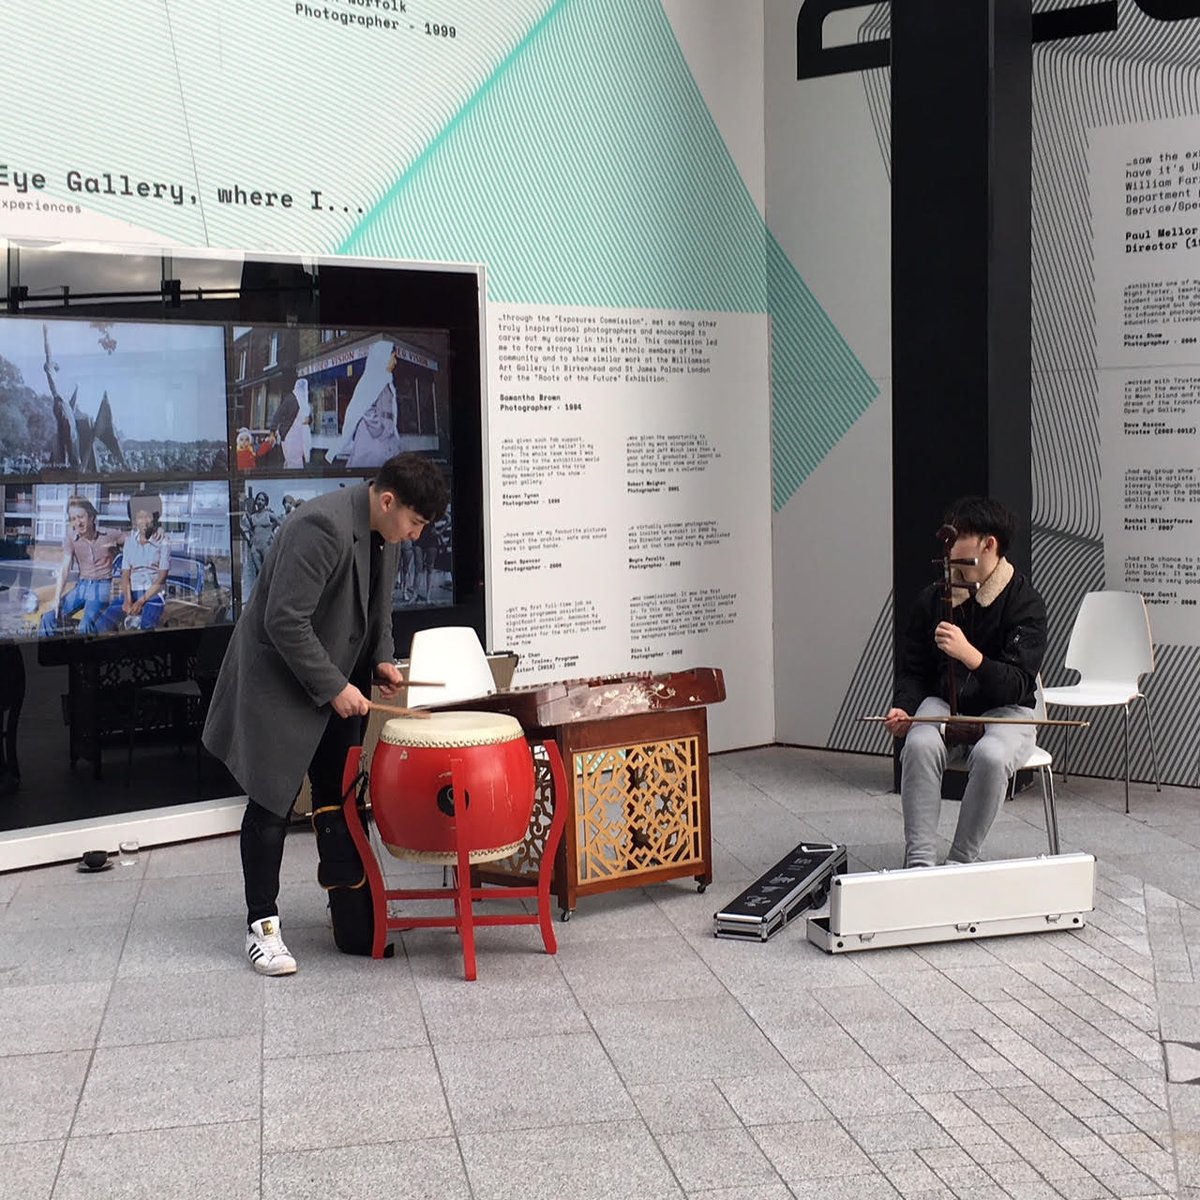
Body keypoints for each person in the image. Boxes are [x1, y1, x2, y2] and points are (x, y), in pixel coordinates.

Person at [202, 453, 449, 975]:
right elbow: (284, 621)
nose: (415, 536)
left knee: (339, 799)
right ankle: (262, 927)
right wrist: (334, 685)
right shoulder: (321, 526)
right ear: (388, 501)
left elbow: (379, 609)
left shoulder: (384, 530)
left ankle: (349, 915)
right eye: (415, 523)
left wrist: (382, 657)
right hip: (282, 681)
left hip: (339, 680)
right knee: (272, 807)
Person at [883, 496, 1047, 869]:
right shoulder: (934, 599)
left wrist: (969, 655)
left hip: (1009, 706)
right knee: (920, 742)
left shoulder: (1025, 602)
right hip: (946, 700)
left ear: (989, 544)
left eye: (958, 538)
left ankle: (960, 861)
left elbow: (1019, 684)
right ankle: (920, 862)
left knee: (991, 755)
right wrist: (904, 709)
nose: (950, 548)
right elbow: (916, 670)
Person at [39, 497, 123, 636]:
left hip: (102, 586)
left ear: (91, 516)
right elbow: (65, 569)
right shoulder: (71, 539)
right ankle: (46, 653)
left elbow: (135, 541)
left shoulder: (109, 535)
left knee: (85, 625)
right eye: (73, 519)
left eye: (81, 517)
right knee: (49, 617)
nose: (78, 522)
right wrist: (56, 599)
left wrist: (156, 533)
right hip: (82, 586)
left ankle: (85, 655)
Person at [94, 494, 171, 632]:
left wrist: (141, 601)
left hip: (153, 594)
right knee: (102, 624)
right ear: (134, 519)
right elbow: (125, 574)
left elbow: (162, 577)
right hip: (131, 591)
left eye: (148, 516)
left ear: (155, 517)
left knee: (147, 626)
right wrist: (127, 600)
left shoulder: (163, 541)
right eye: (140, 517)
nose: (144, 521)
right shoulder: (129, 541)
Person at [333, 341, 403, 468]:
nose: (395, 362)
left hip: (387, 435)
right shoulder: (373, 379)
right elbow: (366, 408)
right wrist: (379, 430)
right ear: (385, 357)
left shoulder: (387, 380)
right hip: (373, 437)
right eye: (394, 357)